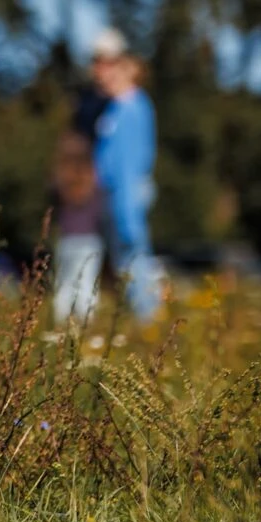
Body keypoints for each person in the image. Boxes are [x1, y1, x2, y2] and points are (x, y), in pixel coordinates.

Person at [89, 29, 162, 323]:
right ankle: (144, 325)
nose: (99, 72)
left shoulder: (132, 108)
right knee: (125, 266)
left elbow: (131, 168)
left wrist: (128, 216)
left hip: (125, 200)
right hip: (115, 198)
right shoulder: (115, 108)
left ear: (122, 66)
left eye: (106, 64)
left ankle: (150, 326)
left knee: (135, 265)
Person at [51, 129, 106, 325]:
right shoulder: (94, 181)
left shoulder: (60, 180)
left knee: (64, 284)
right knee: (87, 285)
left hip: (67, 239)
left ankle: (59, 320)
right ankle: (86, 324)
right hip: (90, 240)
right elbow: (102, 210)